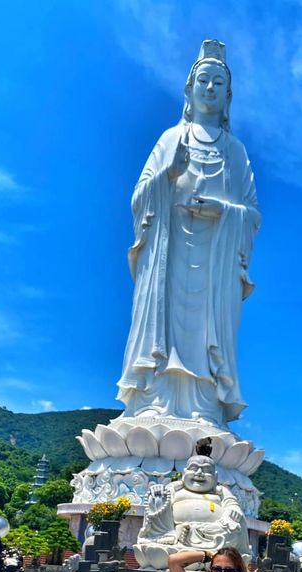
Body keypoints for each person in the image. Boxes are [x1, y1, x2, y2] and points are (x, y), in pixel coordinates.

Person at [117, 39, 261, 427]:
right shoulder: (169, 139)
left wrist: (224, 212)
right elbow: (138, 199)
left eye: (218, 82)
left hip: (215, 259)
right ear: (189, 89)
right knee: (162, 329)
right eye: (204, 80)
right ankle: (154, 399)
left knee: (204, 333)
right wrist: (168, 175)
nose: (210, 88)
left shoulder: (236, 152)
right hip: (169, 253)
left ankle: (205, 406)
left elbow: (252, 213)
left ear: (228, 95)